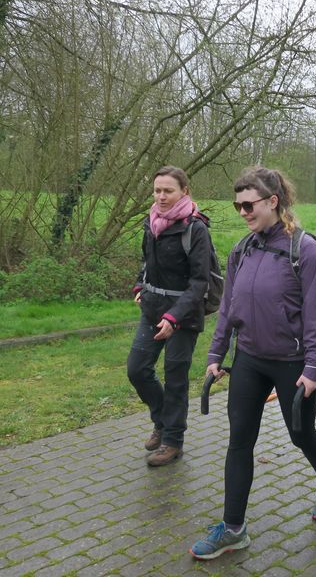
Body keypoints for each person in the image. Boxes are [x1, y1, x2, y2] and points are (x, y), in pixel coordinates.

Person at [191, 167, 316, 560]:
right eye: (237, 204)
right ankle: (234, 528)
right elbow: (228, 307)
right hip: (250, 359)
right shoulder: (242, 249)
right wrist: (215, 354)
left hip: (292, 362)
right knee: (239, 440)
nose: (242, 211)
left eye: (248, 204)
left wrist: (313, 367)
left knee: (301, 434)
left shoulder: (305, 250)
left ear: (273, 202)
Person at [128, 165, 210, 467]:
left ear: (184, 192)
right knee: (137, 370)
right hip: (151, 309)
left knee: (175, 378)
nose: (161, 196)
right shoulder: (151, 222)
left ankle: (173, 441)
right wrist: (140, 284)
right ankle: (162, 421)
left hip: (183, 317)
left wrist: (174, 318)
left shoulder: (195, 229)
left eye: (168, 191)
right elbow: (146, 261)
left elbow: (200, 282)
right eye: (157, 190)